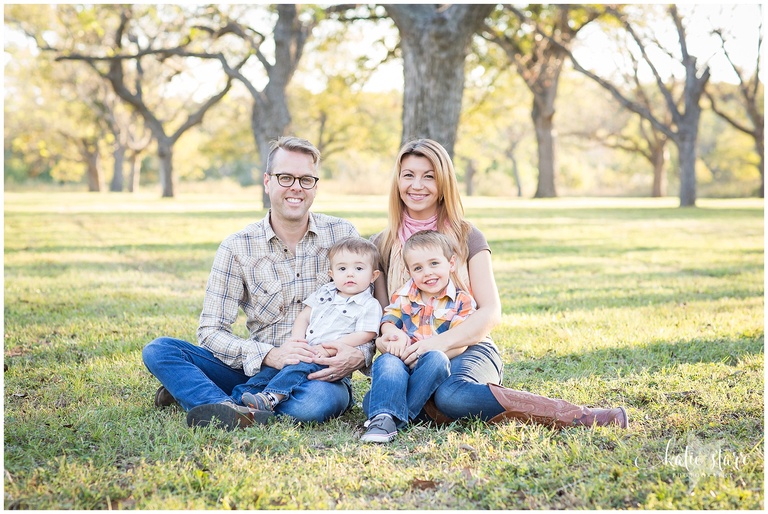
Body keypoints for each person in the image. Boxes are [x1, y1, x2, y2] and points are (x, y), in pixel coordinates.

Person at [371, 138, 628, 429]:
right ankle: (417, 408)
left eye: (428, 176)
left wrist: (437, 344)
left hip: (468, 347)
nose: (417, 185)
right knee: (394, 393)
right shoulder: (382, 244)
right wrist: (387, 340)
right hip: (410, 358)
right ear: (397, 181)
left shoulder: (467, 236)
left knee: (450, 395)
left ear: (443, 183)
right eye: (409, 175)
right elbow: (383, 317)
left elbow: (490, 311)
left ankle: (577, 415)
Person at [142, 136, 375, 431]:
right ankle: (228, 406)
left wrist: (357, 355)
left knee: (314, 405)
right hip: (254, 370)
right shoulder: (237, 246)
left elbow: (369, 312)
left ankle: (207, 399)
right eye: (285, 177)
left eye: (306, 180)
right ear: (267, 181)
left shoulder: (343, 234)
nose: (296, 187)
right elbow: (210, 331)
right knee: (160, 350)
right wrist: (270, 354)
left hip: (316, 374)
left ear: (316, 186)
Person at [239, 236, 383, 415]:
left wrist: (329, 349)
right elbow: (304, 317)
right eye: (342, 268)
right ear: (332, 274)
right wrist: (297, 341)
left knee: (300, 373)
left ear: (373, 275)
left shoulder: (369, 304)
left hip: (328, 360)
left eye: (359, 268)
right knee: (268, 374)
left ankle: (271, 398)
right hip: (306, 350)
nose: (350, 274)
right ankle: (235, 402)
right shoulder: (325, 292)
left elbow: (366, 334)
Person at [361, 230, 477, 443]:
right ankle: (388, 418)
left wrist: (425, 351)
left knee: (437, 359)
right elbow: (388, 320)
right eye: (418, 268)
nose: (427, 273)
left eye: (434, 264)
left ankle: (385, 415)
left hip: (431, 362)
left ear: (451, 263)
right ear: (409, 271)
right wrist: (393, 333)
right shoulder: (404, 294)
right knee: (387, 360)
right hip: (402, 359)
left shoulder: (463, 300)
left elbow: (458, 344)